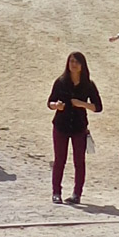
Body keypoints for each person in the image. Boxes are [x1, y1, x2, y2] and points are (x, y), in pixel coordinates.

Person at [48, 52, 102, 204]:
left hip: (79, 126)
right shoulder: (60, 81)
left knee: (79, 161)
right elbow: (50, 102)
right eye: (71, 61)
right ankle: (56, 192)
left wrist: (82, 104)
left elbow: (98, 107)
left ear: (82, 65)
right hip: (61, 125)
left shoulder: (88, 85)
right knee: (60, 160)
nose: (73, 64)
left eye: (77, 62)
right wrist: (56, 106)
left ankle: (77, 194)